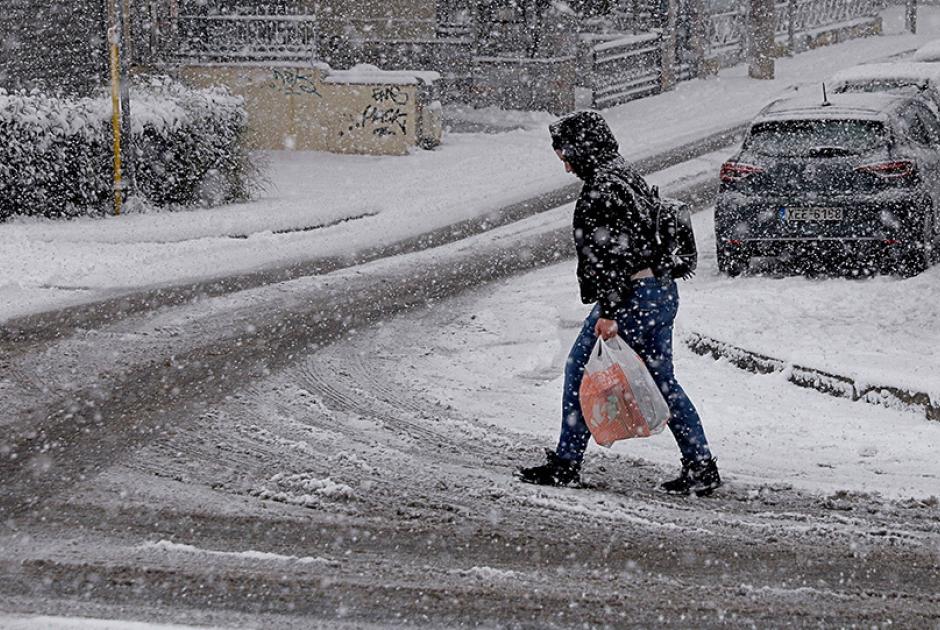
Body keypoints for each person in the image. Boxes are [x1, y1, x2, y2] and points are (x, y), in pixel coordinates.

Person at [516, 111, 721, 496]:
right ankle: (700, 465)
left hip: (630, 298)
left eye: (566, 155)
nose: (565, 165)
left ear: (582, 148)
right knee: (662, 382)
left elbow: (612, 255)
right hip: (659, 292)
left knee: (580, 369)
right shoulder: (623, 174)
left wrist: (609, 312)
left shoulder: (603, 186)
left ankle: (566, 464)